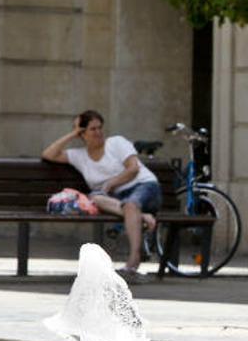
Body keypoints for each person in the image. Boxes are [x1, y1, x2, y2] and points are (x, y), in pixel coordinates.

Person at [42, 110, 161, 278]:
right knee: (95, 198)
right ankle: (141, 217)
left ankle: (134, 258)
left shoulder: (116, 143)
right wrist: (73, 134)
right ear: (82, 134)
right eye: (92, 129)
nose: (98, 132)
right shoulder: (79, 156)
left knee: (130, 204)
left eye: (100, 128)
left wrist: (112, 183)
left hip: (144, 187)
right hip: (118, 200)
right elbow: (48, 154)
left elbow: (133, 169)